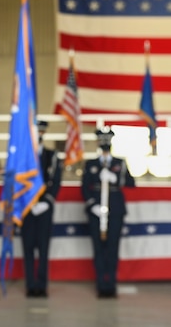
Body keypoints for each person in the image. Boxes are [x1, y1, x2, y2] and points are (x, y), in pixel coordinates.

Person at [81, 127, 135, 298]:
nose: (104, 144)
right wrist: (92, 205)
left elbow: (132, 183)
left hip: (115, 210)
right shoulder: (91, 164)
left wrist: (115, 178)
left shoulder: (120, 163)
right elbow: (84, 188)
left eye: (107, 141)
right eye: (101, 141)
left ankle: (111, 284)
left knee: (113, 248)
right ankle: (100, 284)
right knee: (98, 248)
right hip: (97, 210)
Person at [21, 120, 63, 298]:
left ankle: (42, 285)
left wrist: (47, 200)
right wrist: (27, 202)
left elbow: (56, 179)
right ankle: (30, 285)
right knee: (28, 248)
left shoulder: (51, 155)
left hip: (45, 207)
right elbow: (18, 180)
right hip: (27, 207)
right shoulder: (23, 155)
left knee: (44, 249)